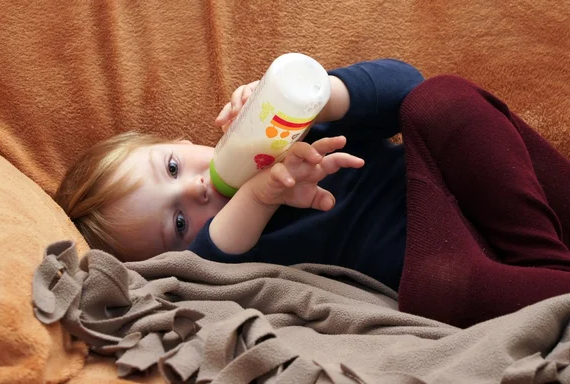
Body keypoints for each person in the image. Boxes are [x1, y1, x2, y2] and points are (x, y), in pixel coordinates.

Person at [55, 59, 570, 328]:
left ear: (183, 142)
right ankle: (554, 283)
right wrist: (260, 196)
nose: (194, 186)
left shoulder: (292, 131)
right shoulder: (237, 256)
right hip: (457, 259)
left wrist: (314, 99)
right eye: (180, 223)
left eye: (172, 166)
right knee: (436, 290)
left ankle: (548, 265)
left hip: (495, 195)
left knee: (438, 99)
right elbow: (208, 265)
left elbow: (403, 85)